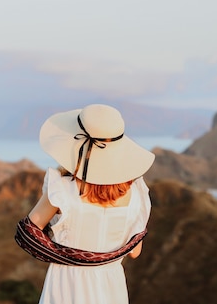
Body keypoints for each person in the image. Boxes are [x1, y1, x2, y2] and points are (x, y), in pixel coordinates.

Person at [22, 103, 155, 304]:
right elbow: (135, 251)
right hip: (111, 288)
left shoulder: (62, 190)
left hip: (66, 286)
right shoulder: (138, 194)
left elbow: (29, 231)